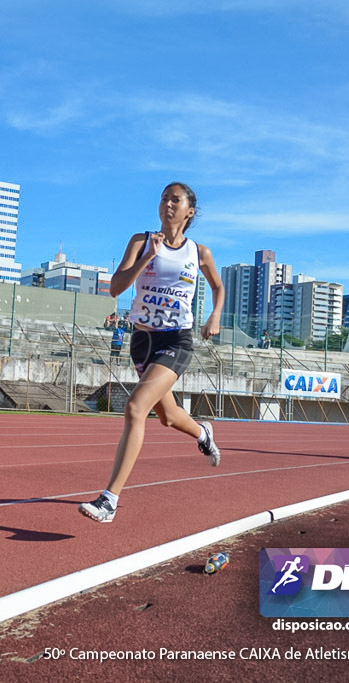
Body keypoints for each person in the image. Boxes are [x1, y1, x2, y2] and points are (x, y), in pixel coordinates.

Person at [79, 182, 224, 524]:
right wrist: (147, 257)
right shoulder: (141, 241)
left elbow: (218, 286)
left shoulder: (199, 253)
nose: (167, 204)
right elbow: (115, 288)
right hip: (143, 341)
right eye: (163, 198)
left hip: (177, 340)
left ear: (189, 211)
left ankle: (109, 500)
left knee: (135, 407)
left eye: (175, 200)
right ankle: (203, 433)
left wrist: (214, 315)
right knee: (168, 417)